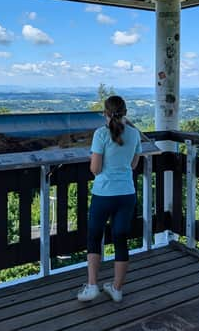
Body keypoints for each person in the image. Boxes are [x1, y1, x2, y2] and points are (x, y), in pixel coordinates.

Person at [77, 95, 141, 303]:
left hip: (103, 194)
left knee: (94, 238)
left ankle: (93, 286)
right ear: (125, 113)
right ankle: (116, 289)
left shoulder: (100, 134)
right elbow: (133, 165)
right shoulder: (134, 134)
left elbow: (95, 169)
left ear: (105, 113)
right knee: (120, 240)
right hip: (126, 194)